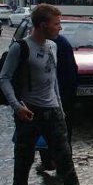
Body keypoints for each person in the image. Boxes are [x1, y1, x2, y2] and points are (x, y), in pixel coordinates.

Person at [0, 2, 93, 185]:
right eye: (56, 24)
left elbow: (53, 81)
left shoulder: (53, 46)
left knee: (64, 155)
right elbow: (4, 78)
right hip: (29, 111)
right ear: (43, 25)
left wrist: (60, 108)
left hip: (53, 110)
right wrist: (17, 107)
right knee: (24, 156)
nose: (59, 28)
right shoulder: (21, 47)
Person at [37, 29, 78, 173]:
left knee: (59, 132)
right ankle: (55, 163)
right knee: (54, 132)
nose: (59, 27)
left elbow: (70, 71)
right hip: (50, 96)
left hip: (58, 95)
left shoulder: (60, 43)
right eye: (56, 23)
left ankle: (59, 164)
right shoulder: (37, 44)